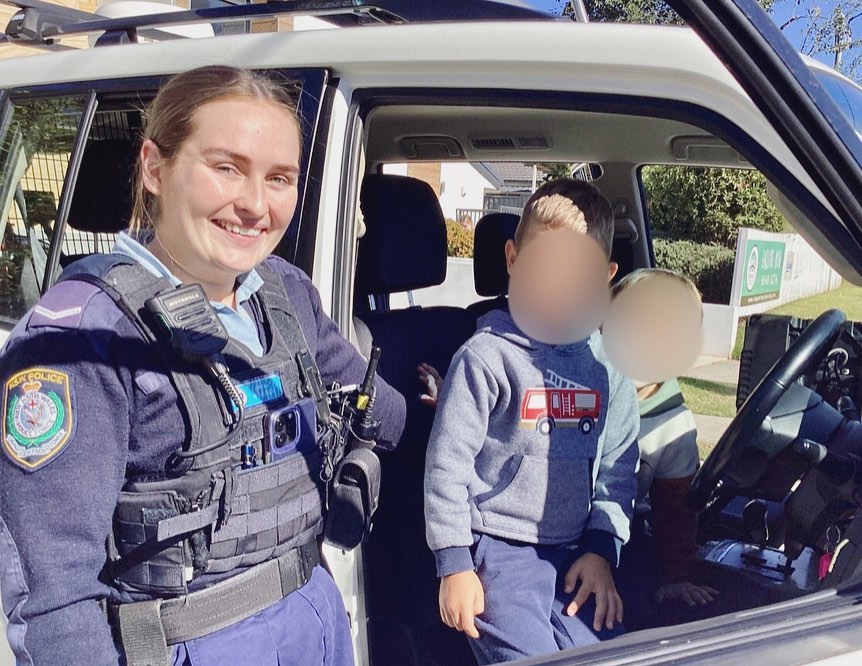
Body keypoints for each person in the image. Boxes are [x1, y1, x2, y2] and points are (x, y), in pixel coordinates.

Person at [0, 66, 409, 666]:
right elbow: (53, 595)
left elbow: (382, 410)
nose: (254, 204)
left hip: (312, 616)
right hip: (190, 643)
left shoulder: (283, 291)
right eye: (226, 167)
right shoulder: (82, 337)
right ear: (154, 168)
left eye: (279, 178)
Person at [424, 179, 640, 664]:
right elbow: (446, 467)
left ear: (605, 276)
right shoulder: (485, 358)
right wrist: (454, 564)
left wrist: (602, 550)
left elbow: (618, 471)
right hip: (499, 550)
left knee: (611, 653)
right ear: (513, 260)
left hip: (577, 550)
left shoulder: (608, 368)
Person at [610, 269, 718, 629]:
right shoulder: (575, 379)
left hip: (618, 535)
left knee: (636, 607)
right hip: (544, 526)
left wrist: (675, 576)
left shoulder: (673, 423)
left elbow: (675, 509)